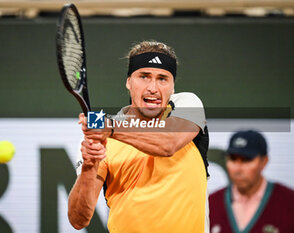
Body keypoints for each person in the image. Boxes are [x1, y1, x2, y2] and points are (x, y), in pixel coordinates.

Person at [68, 40, 210, 233]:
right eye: (144, 76)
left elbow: (168, 143)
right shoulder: (102, 139)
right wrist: (89, 166)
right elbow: (79, 219)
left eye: (162, 79)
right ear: (128, 82)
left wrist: (110, 127)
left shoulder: (187, 103)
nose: (153, 87)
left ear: (172, 86)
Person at [209, 130, 294, 233]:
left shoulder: (288, 202)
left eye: (246, 160)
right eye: (232, 159)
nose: (238, 168)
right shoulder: (211, 204)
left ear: (264, 161)